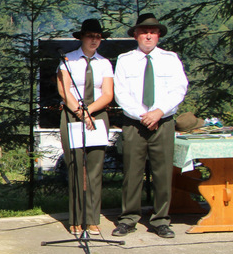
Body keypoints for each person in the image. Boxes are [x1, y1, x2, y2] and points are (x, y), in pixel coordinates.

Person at [112, 13, 188, 239]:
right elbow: (120, 92)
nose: (148, 36)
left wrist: (158, 112)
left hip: (163, 122)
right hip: (134, 123)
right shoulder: (125, 60)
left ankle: (161, 220)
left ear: (158, 36)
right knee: (131, 173)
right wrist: (143, 116)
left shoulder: (170, 59)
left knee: (163, 174)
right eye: (144, 32)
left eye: (153, 32)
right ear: (136, 35)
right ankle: (128, 219)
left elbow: (179, 88)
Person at [57, 18, 114, 236]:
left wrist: (90, 112)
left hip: (97, 115)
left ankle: (92, 218)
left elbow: (107, 94)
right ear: (82, 37)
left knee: (95, 169)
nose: (94, 40)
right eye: (90, 36)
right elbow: (64, 90)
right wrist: (81, 113)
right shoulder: (68, 60)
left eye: (98, 37)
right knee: (75, 166)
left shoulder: (104, 63)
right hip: (73, 114)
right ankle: (75, 218)